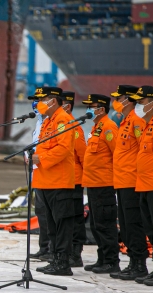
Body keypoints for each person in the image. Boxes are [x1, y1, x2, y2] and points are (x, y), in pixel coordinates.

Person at [29, 87, 76, 276]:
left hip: (59, 180)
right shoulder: (49, 121)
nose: (39, 103)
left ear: (53, 101)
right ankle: (54, 258)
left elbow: (64, 148)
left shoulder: (63, 119)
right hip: (45, 180)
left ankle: (63, 262)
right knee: (51, 225)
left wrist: (42, 158)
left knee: (61, 224)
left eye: (43, 99)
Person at [110, 85, 149, 280]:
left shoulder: (136, 122)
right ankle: (133, 262)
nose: (115, 102)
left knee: (134, 224)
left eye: (119, 98)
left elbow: (144, 149)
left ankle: (140, 264)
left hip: (132, 181)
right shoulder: (124, 121)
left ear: (128, 100)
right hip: (121, 181)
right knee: (125, 226)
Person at [129, 85, 153, 286]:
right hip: (144, 186)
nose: (138, 106)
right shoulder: (147, 126)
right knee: (151, 231)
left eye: (140, 102)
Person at [81, 94, 120, 274]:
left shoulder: (109, 127)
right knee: (96, 225)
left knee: (105, 224)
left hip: (104, 184)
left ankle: (111, 261)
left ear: (101, 109)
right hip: (93, 183)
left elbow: (117, 155)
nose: (89, 109)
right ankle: (102, 258)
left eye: (92, 106)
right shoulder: (97, 127)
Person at [60, 91, 87, 267]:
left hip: (75, 179)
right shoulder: (61, 123)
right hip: (65, 178)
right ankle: (66, 251)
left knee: (75, 217)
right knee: (65, 216)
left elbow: (83, 154)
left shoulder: (73, 127)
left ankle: (75, 254)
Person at [28, 100, 51, 262]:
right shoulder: (39, 123)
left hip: (49, 174)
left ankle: (51, 249)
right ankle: (44, 248)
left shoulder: (54, 123)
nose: (35, 106)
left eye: (39, 102)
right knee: (41, 213)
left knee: (49, 214)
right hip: (37, 173)